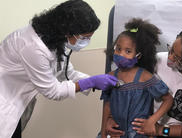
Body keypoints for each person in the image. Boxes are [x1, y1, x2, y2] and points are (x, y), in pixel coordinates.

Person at [0, 0, 118, 138]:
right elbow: (52, 91)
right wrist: (91, 82)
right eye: (84, 38)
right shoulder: (32, 46)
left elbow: (65, 72)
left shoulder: (54, 39)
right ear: (67, 31)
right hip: (5, 101)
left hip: (18, 100)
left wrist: (93, 80)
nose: (86, 42)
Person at [105, 28, 182, 138]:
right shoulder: (157, 61)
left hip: (174, 132)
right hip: (148, 128)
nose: (170, 58)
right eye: (171, 50)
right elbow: (124, 90)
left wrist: (161, 130)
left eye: (178, 59)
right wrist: (111, 118)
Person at [100, 18, 173, 138]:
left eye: (128, 51)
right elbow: (107, 105)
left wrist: (152, 121)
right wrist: (103, 134)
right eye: (118, 49)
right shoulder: (110, 76)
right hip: (117, 134)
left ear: (138, 55)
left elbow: (168, 99)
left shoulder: (145, 77)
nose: (121, 54)